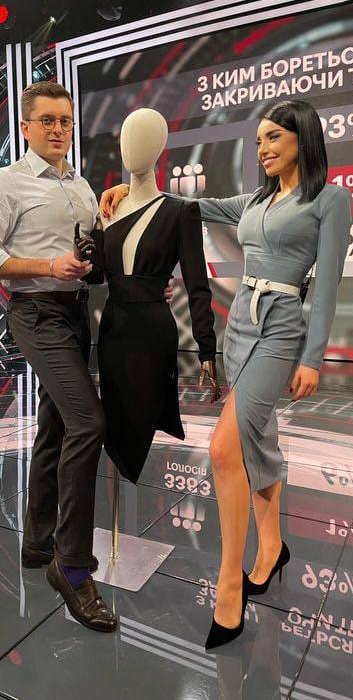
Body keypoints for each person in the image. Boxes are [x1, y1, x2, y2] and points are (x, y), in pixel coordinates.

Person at [100, 100, 352, 649]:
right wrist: (136, 193)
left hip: (281, 329)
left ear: (303, 140)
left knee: (223, 450)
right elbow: (194, 206)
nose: (262, 149)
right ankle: (272, 547)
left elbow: (329, 284)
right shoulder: (256, 200)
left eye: (273, 138)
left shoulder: (329, 200)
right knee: (258, 441)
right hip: (240, 326)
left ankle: (229, 584)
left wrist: (312, 357)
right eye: (258, 140)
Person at [0, 81, 172, 633]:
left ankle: (37, 543)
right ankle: (73, 567)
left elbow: (93, 257)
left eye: (65, 121)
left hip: (76, 314)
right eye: (48, 120)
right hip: (36, 314)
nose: (59, 129)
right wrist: (47, 266)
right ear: (26, 128)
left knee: (56, 427)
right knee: (88, 423)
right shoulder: (5, 182)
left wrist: (127, 259)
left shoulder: (80, 186)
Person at [76, 107, 220, 485]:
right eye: (125, 138)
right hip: (114, 329)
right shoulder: (110, 209)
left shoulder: (180, 211)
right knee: (116, 420)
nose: (129, 147)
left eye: (139, 138)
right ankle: (118, 495)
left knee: (141, 419)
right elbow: (99, 276)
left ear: (158, 147)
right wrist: (87, 251)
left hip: (152, 333)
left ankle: (129, 489)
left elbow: (197, 284)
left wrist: (207, 351)